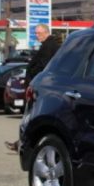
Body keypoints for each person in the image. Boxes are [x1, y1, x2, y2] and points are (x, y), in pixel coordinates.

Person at [5, 24, 60, 152]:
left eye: (39, 33)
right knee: (30, 117)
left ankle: (24, 143)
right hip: (37, 87)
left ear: (46, 32)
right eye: (36, 33)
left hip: (40, 88)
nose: (37, 36)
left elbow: (43, 66)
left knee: (32, 117)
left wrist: (33, 77)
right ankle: (22, 142)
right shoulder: (47, 45)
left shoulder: (49, 47)